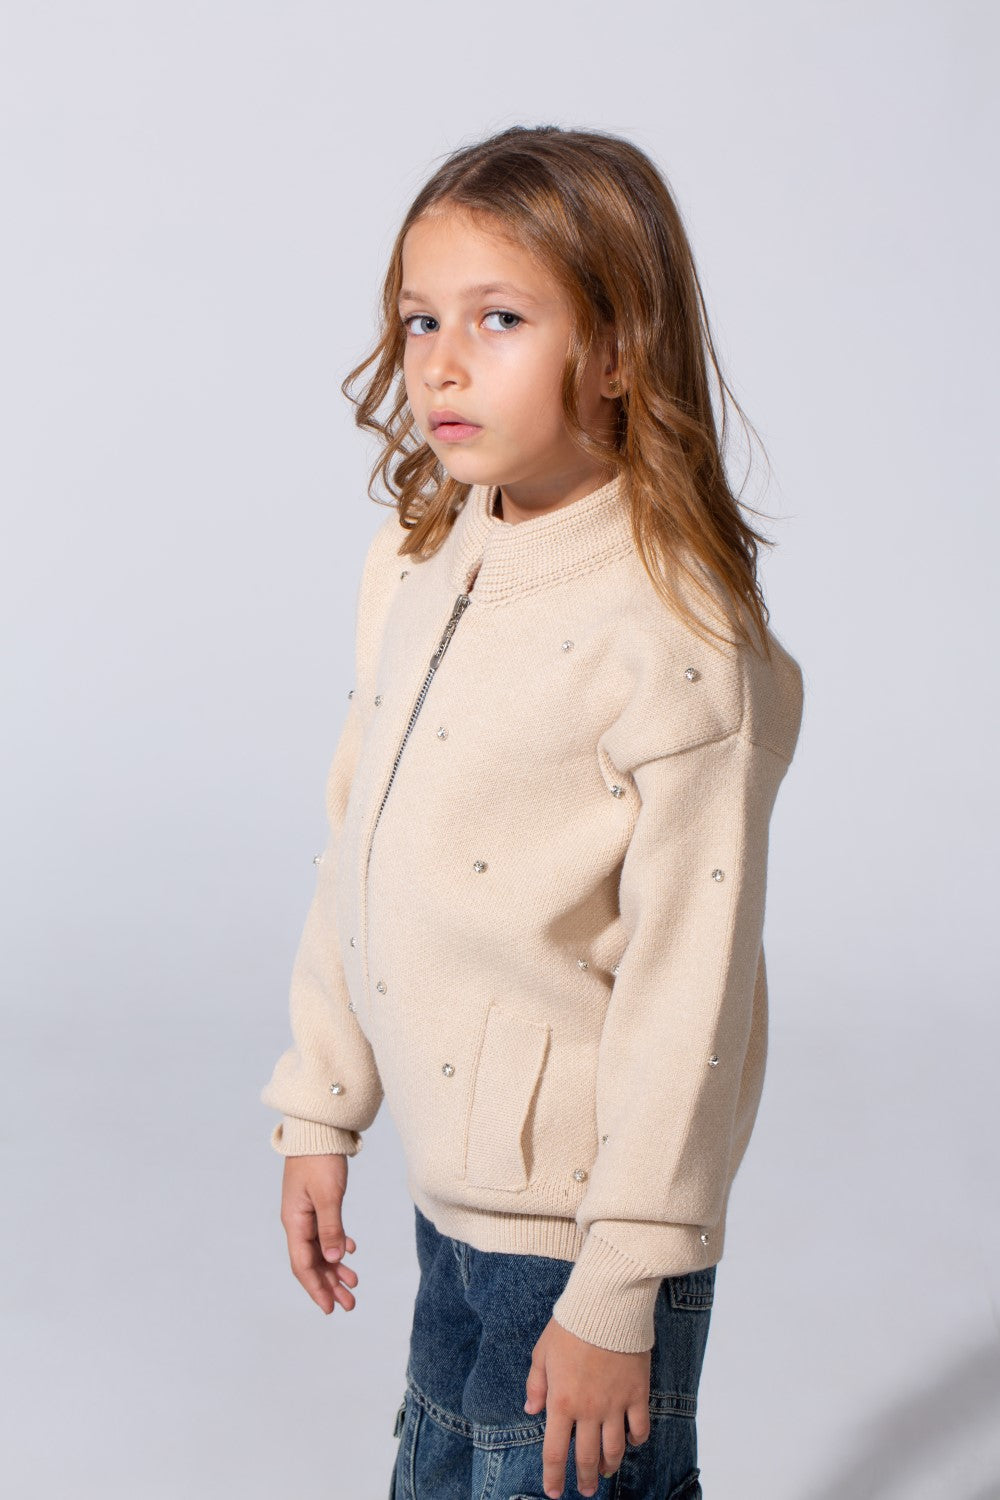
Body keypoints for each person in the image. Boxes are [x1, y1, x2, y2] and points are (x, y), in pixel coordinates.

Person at [260, 123, 805, 1500]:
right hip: (455, 1208)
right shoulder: (419, 559)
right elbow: (357, 845)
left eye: (499, 319)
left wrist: (618, 1289)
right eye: (420, 320)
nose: (440, 362)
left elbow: (694, 992)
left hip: (584, 1234)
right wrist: (321, 1103)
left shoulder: (675, 638)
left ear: (616, 348)